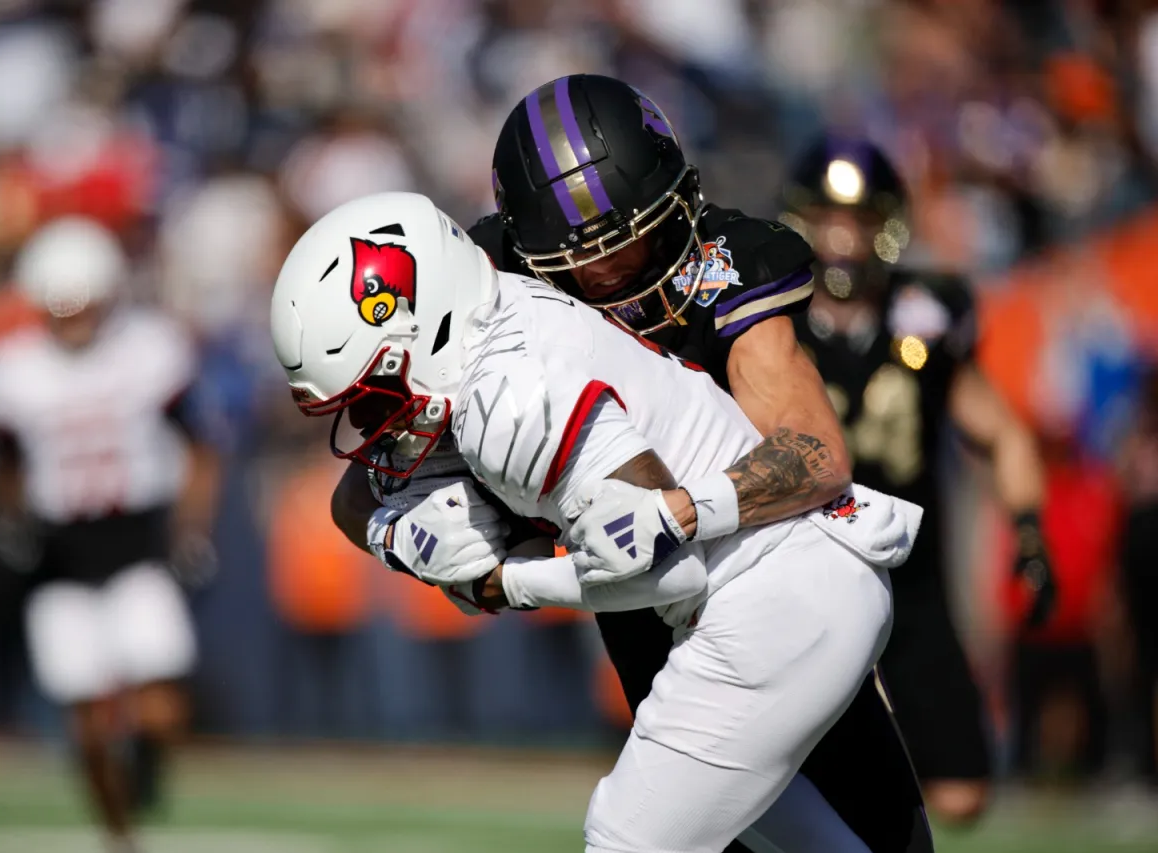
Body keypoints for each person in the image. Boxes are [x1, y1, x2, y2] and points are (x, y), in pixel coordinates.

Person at [330, 75, 933, 853]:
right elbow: (365, 485)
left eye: (630, 237)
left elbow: (812, 455)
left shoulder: (728, 262)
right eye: (576, 256)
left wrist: (681, 510)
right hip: (640, 602)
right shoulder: (483, 274)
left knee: (878, 825)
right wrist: (422, 540)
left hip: (753, 573)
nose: (609, 271)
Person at [778, 136, 1056, 823]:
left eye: (858, 221)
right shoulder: (770, 320)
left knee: (962, 795)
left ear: (887, 227)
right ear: (801, 221)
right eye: (828, 219)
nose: (842, 239)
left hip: (909, 574)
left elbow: (1004, 433)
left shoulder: (926, 316)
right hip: (804, 570)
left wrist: (1028, 533)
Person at [0, 217, 220, 853]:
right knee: (84, 720)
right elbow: (1, 467)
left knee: (162, 705)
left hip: (135, 540)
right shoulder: (11, 370)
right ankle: (119, 837)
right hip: (56, 552)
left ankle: (145, 774)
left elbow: (199, 448)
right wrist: (7, 526)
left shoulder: (148, 348)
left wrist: (192, 527)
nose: (71, 318)